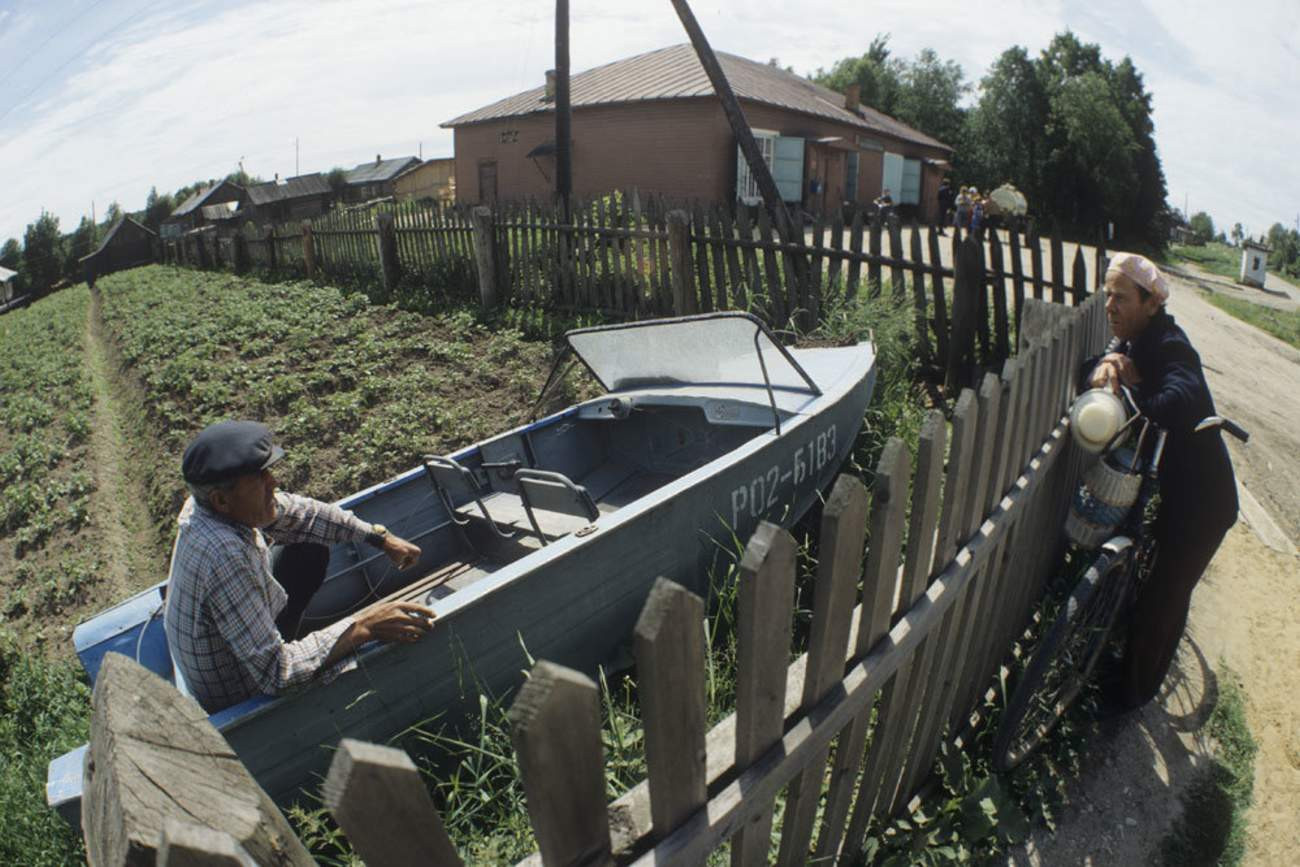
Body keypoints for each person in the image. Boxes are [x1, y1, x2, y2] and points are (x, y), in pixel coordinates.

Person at [163, 420, 436, 713]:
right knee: (340, 644)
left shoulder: (208, 504)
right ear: (222, 500)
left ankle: (294, 641)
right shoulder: (222, 556)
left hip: (238, 647)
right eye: (260, 477)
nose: (274, 482)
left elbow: (300, 514)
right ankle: (298, 651)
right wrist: (365, 625)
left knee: (309, 547)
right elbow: (276, 673)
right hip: (244, 689)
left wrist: (379, 538)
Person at [1080, 253, 1238, 713]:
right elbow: (1098, 368)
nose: (1110, 305)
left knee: (1161, 601)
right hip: (1175, 490)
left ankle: (1129, 696)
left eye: (1121, 297)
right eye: (1107, 294)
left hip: (1206, 504)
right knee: (1157, 579)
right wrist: (1104, 365)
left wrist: (1138, 388)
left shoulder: (1168, 343)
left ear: (1151, 303)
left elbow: (1182, 394)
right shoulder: (1133, 340)